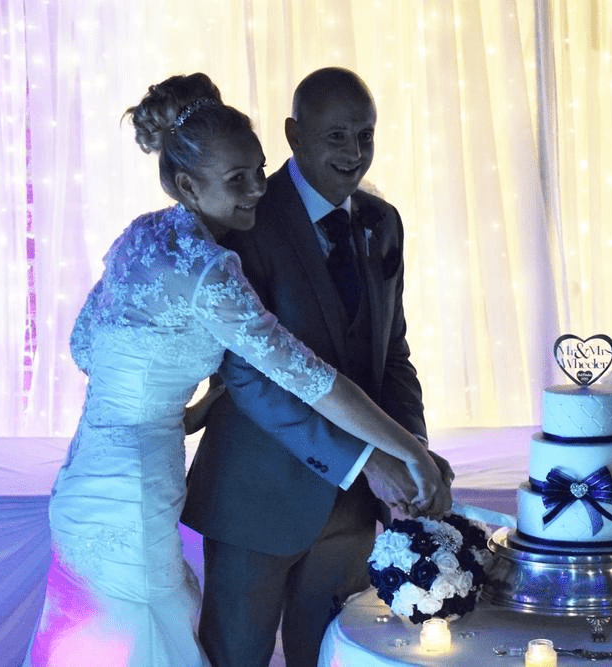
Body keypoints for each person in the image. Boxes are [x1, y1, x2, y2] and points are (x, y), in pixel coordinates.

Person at [22, 72, 448, 667]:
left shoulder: (142, 237)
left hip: (105, 472)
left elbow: (84, 346)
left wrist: (174, 410)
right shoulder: (227, 245)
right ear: (187, 185)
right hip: (225, 497)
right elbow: (290, 379)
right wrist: (399, 454)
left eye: (366, 134)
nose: (255, 189)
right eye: (335, 136)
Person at [181, 67, 452, 667]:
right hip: (256, 499)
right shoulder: (242, 219)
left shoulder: (384, 224)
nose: (354, 153)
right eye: (336, 136)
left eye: (366, 135)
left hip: (353, 512)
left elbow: (393, 359)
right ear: (293, 134)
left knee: (334, 658)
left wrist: (413, 452)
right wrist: (368, 457)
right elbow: (249, 379)